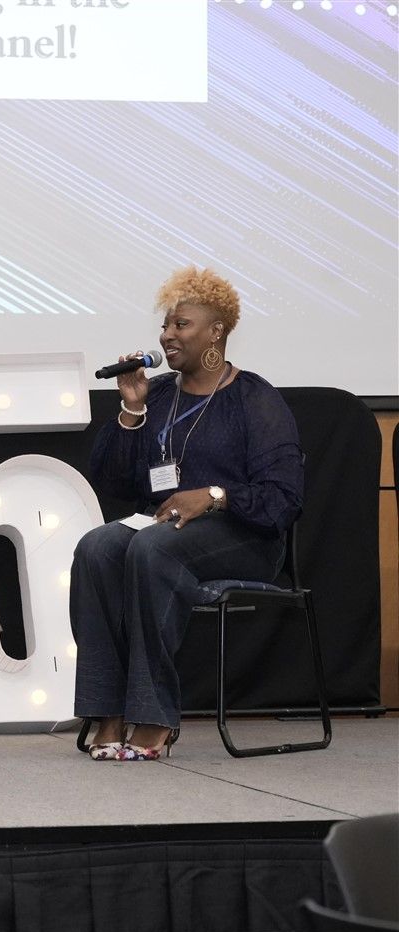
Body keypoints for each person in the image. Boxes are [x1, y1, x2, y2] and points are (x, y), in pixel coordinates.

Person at [70, 267, 304, 761]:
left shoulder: (254, 399)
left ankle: (154, 715)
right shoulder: (156, 394)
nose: (167, 336)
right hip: (164, 529)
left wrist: (214, 495)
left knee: (153, 546)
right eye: (165, 326)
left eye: (181, 325)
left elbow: (283, 498)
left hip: (245, 536)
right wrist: (132, 410)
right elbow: (114, 483)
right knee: (96, 546)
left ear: (216, 331)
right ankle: (109, 710)